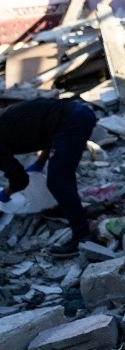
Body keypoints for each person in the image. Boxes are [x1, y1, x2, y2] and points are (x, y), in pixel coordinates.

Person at [0, 98, 98, 256]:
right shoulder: (6, 119)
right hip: (77, 113)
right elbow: (46, 128)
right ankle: (67, 210)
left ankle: (82, 237)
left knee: (58, 180)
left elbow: (20, 180)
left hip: (72, 121)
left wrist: (5, 194)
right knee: (62, 174)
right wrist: (39, 162)